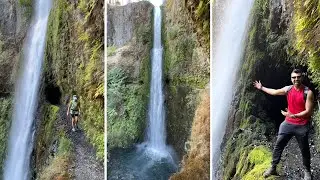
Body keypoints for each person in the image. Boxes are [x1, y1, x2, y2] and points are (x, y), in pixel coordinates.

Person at [253, 69, 314, 180]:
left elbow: (308, 111)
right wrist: (261, 88)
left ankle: (307, 171)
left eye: (298, 77)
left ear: (302, 77)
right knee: (278, 145)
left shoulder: (307, 92)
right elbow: (274, 92)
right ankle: (273, 167)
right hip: (288, 123)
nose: (296, 79)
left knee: (304, 149)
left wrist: (293, 115)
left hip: (302, 125)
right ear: (291, 78)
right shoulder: (288, 89)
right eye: (294, 77)